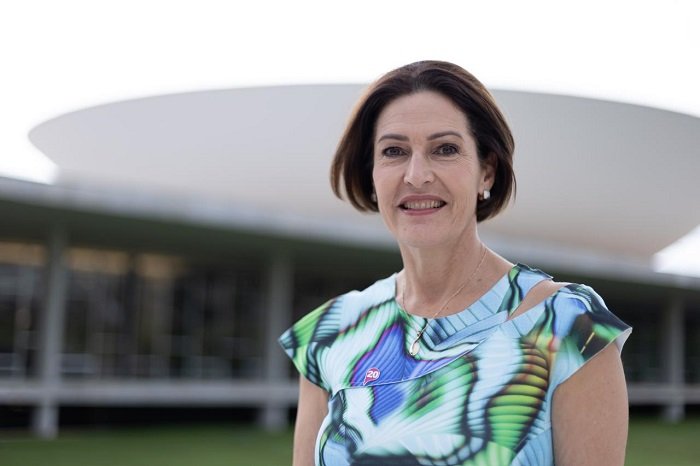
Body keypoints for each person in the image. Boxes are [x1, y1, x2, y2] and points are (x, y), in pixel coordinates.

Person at [279, 60, 632, 466]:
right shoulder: (330, 330)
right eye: (394, 151)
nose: (416, 175)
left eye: (445, 149)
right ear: (372, 174)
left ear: (487, 171)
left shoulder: (570, 326)